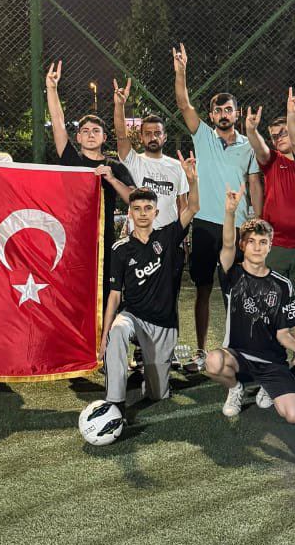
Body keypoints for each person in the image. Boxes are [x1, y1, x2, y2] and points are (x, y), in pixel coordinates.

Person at [172, 44, 262, 369]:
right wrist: (181, 71)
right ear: (211, 116)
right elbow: (184, 103)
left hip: (235, 226)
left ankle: (240, 350)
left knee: (235, 292)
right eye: (218, 110)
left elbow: (255, 184)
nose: (224, 114)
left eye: (229, 109)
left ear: (236, 114)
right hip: (205, 225)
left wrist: (256, 221)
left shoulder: (250, 145)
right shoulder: (203, 136)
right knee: (202, 289)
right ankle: (199, 351)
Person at [99, 155, 200, 420]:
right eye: (137, 208)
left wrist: (192, 180)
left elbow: (192, 207)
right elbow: (114, 296)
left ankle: (152, 376)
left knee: (157, 395)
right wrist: (104, 335)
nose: (142, 213)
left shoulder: (167, 236)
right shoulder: (120, 249)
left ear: (156, 213)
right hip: (134, 317)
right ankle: (115, 402)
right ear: (130, 213)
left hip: (163, 324)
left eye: (147, 208)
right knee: (117, 331)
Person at [204, 186, 295, 422]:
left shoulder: (282, 285)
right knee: (213, 361)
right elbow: (227, 245)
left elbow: (283, 334)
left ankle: (268, 386)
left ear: (270, 245)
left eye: (263, 242)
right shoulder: (232, 274)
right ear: (243, 246)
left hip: (272, 361)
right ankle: (235, 388)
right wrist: (230, 213)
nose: (257, 247)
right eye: (251, 241)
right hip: (238, 356)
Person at [44, 60, 134, 297]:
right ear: (78, 138)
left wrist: (112, 180)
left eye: (96, 131)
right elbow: (57, 123)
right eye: (85, 131)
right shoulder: (72, 161)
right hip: (73, 239)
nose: (90, 135)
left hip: (105, 240)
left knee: (106, 294)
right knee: (73, 294)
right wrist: (52, 89)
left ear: (104, 137)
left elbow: (134, 199)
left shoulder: (115, 166)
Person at [242, 103, 295, 340]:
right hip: (276, 245)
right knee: (270, 303)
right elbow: (260, 149)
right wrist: (251, 130)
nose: (279, 138)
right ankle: (268, 353)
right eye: (274, 135)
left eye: (284, 133)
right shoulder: (272, 161)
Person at [112, 78, 189, 227]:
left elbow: (183, 204)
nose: (153, 137)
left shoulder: (177, 166)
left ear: (164, 137)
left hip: (169, 236)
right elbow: (121, 135)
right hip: (139, 235)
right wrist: (120, 105)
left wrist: (182, 235)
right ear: (141, 137)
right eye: (147, 134)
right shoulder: (133, 161)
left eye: (157, 133)